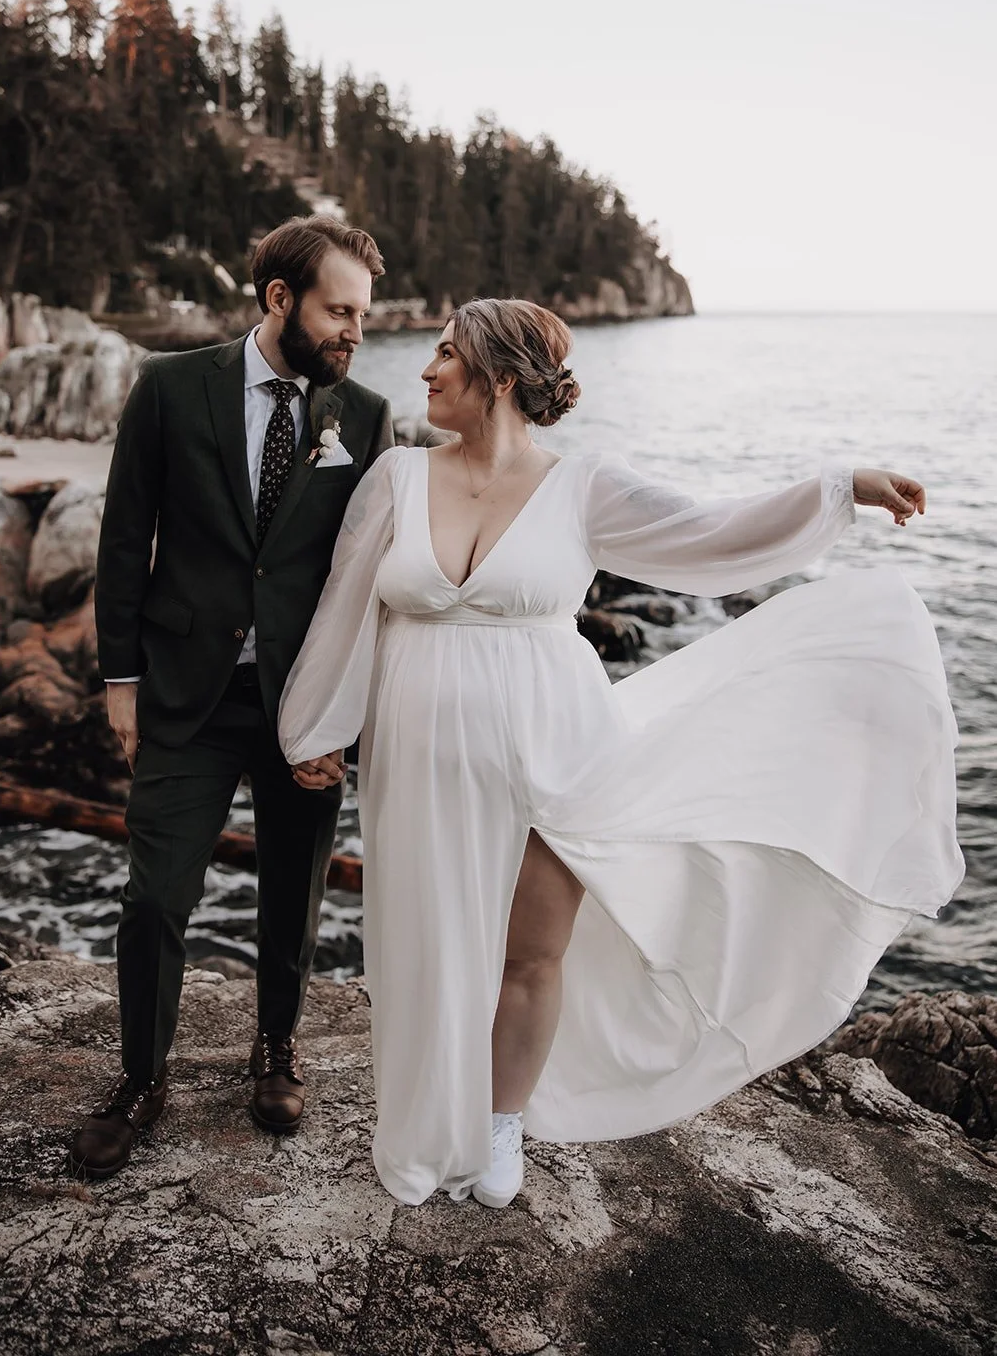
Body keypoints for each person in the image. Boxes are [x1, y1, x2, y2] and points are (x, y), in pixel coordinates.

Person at [278, 297, 962, 1209]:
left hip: (558, 747)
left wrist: (838, 489)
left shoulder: (582, 487)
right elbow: (345, 606)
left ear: (500, 377)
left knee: (531, 952)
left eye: (445, 354)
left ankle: (500, 1122)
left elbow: (713, 530)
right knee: (419, 944)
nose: (427, 370)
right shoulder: (396, 477)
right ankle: (423, 1125)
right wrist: (315, 728)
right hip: (418, 754)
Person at [69, 217, 394, 1181]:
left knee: (294, 892)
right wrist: (119, 681)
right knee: (154, 896)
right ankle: (140, 1079)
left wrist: (346, 717)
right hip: (185, 695)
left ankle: (276, 1048)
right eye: (339, 311)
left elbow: (365, 576)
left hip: (304, 703)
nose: (355, 332)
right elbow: (124, 539)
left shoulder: (366, 416)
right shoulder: (171, 387)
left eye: (363, 314)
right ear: (279, 299)